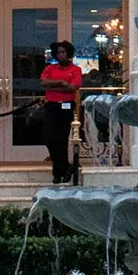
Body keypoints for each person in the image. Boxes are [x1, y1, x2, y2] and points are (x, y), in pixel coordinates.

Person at [40, 40, 83, 182]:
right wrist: (60, 83)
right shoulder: (51, 68)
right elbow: (43, 82)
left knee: (62, 139)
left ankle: (58, 173)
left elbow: (72, 88)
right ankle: (65, 166)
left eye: (63, 52)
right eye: (58, 52)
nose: (60, 55)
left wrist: (53, 87)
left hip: (66, 106)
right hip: (51, 106)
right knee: (49, 137)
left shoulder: (76, 70)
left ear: (68, 53)